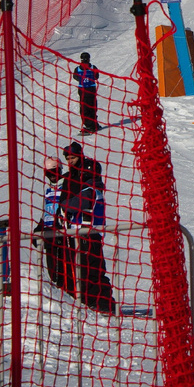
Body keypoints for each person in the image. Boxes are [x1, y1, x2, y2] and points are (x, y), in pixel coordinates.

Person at [58, 142, 116, 314]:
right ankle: (87, 300)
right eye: (68, 158)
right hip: (75, 229)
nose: (70, 161)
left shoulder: (90, 178)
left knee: (93, 266)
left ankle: (104, 302)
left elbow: (82, 200)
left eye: (73, 158)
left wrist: (67, 205)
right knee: (79, 267)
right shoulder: (70, 178)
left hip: (90, 228)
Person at [34, 156, 70, 291]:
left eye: (54, 173)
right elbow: (47, 210)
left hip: (61, 232)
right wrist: (40, 226)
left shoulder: (65, 185)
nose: (52, 177)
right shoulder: (49, 189)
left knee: (62, 270)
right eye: (49, 174)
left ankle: (67, 294)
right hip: (49, 233)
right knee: (52, 269)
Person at [73, 53, 100, 135]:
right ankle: (94, 124)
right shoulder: (93, 67)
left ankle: (90, 126)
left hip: (83, 90)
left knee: (84, 109)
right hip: (91, 89)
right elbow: (96, 76)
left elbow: (75, 77)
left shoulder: (78, 69)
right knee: (92, 106)